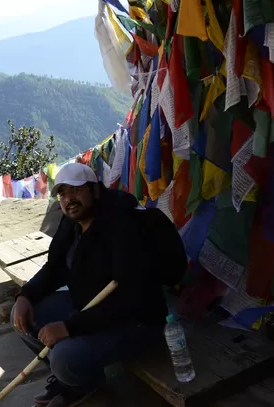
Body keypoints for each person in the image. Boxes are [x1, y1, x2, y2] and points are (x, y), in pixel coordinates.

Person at [12, 162, 186, 407]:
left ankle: (79, 384)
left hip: (134, 321)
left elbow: (130, 299)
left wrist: (69, 328)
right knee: (20, 317)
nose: (68, 199)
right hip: (88, 307)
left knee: (62, 358)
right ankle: (78, 378)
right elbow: (55, 269)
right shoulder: (72, 223)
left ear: (95, 190)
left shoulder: (124, 226)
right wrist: (25, 295)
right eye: (62, 193)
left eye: (76, 190)